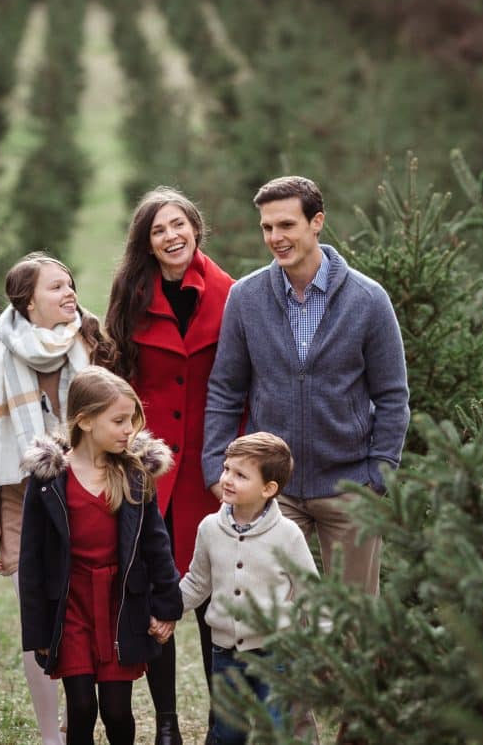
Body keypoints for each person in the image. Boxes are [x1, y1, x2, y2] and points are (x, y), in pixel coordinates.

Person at [203, 176, 410, 596]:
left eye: (286, 225)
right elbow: (226, 390)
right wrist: (215, 468)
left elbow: (392, 396)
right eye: (267, 228)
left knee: (353, 624)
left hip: (350, 488)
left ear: (316, 222)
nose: (276, 238)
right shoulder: (246, 298)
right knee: (274, 622)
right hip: (273, 491)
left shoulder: (368, 300)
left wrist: (378, 474)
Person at [0, 252, 115, 745]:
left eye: (70, 283)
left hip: (87, 489)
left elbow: (120, 416)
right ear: (29, 303)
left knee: (91, 614)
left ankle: (84, 716)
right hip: (22, 498)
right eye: (56, 288)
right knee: (39, 617)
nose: (69, 292)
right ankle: (51, 734)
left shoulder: (91, 341)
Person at [105, 186, 234, 744]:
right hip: (151, 465)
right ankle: (165, 725)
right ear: (147, 243)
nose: (171, 236)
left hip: (211, 466)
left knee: (212, 598)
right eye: (158, 230)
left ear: (195, 229)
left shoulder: (232, 291)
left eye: (178, 224)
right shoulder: (131, 295)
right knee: (159, 590)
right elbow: (117, 371)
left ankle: (220, 724)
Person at [18, 366, 183, 745]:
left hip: (119, 604)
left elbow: (157, 545)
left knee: (115, 711)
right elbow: (32, 561)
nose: (130, 430)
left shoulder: (134, 475)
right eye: (119, 420)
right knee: (80, 708)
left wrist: (167, 607)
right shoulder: (49, 479)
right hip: (70, 604)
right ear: (86, 421)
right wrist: (38, 629)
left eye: (133, 420)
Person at [181, 432, 321, 744]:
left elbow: (311, 593)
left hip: (276, 656)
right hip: (225, 653)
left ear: (268, 488)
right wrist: (164, 609)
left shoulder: (288, 535)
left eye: (241, 475)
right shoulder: (209, 529)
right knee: (229, 732)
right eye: (227, 468)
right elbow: (196, 582)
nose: (228, 479)